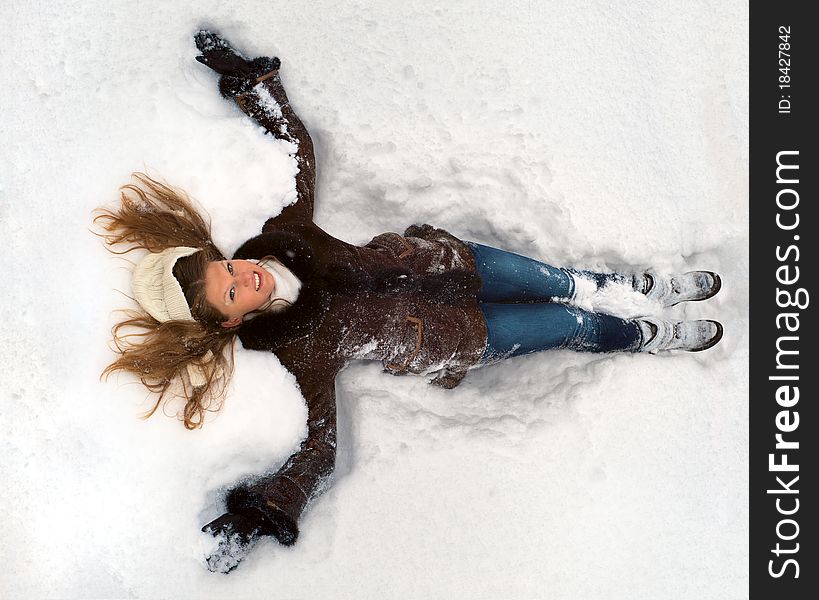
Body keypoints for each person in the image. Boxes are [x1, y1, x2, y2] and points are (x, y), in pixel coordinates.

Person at [96, 31, 723, 573]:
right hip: (460, 339)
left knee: (561, 280)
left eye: (229, 267)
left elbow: (297, 151)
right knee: (567, 324)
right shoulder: (296, 349)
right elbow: (320, 447)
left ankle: (642, 289)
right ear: (231, 318)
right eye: (232, 293)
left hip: (453, 260)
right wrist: (271, 506)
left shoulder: (283, 234)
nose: (246, 278)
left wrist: (251, 84)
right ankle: (645, 336)